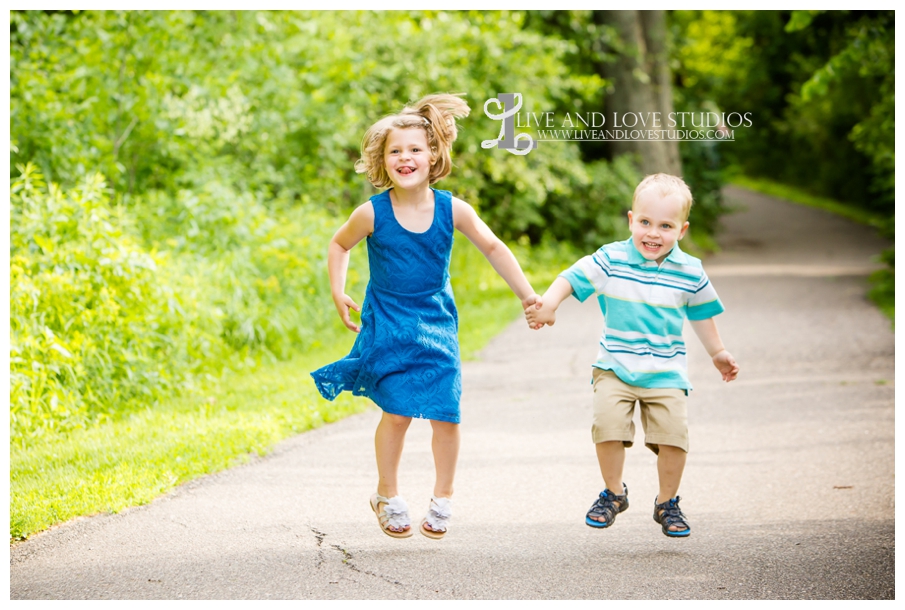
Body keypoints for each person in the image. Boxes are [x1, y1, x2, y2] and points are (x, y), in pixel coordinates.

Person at [311, 93, 541, 540]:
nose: (405, 157)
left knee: (446, 414)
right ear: (382, 159)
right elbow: (339, 244)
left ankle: (443, 499)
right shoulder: (372, 213)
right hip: (389, 324)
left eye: (415, 148)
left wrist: (528, 295)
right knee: (396, 413)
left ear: (433, 154)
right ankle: (387, 495)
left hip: (436, 323)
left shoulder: (452, 208)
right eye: (395, 150)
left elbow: (493, 247)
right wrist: (338, 291)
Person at [525, 173, 739, 538]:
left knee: (674, 437)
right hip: (615, 367)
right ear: (631, 220)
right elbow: (572, 277)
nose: (653, 233)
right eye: (645, 222)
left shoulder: (691, 272)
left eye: (665, 225)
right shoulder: (612, 259)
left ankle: (667, 502)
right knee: (607, 425)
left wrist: (717, 352)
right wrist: (549, 304)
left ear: (682, 230)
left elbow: (702, 315)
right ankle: (614, 493)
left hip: (666, 372)